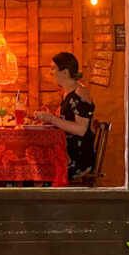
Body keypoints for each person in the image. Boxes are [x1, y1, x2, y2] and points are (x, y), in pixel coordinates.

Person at [34, 52, 96, 180]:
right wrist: (47, 120)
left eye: (53, 68)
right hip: (65, 151)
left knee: (37, 170)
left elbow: (81, 129)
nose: (50, 72)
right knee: (33, 162)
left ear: (65, 72)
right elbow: (65, 121)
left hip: (78, 157)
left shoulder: (81, 94)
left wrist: (52, 119)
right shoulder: (66, 93)